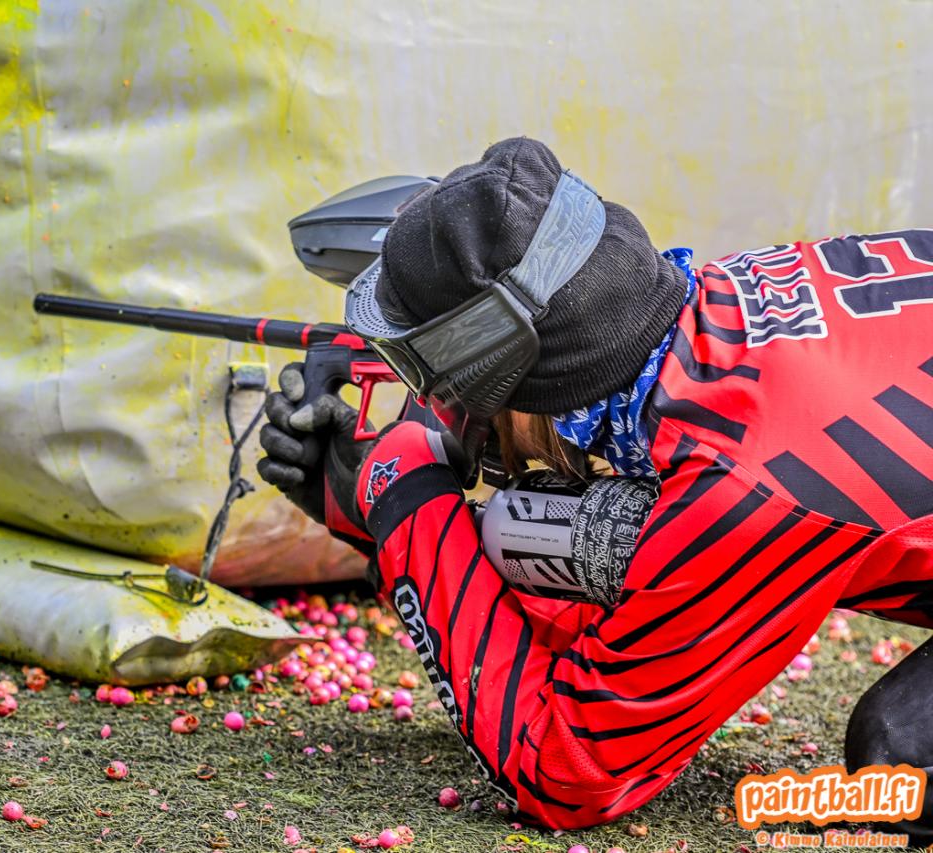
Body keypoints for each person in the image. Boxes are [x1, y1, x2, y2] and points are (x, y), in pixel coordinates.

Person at [257, 137, 933, 834]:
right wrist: (382, 530)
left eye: (423, 372)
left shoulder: (744, 482)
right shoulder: (717, 308)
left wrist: (406, 499)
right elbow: (613, 631)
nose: (432, 404)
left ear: (508, 371)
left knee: (902, 754)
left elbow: (568, 774)